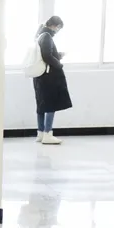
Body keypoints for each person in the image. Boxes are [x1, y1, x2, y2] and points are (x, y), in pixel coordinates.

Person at [33, 16, 72, 145]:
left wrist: (58, 55)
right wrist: (59, 65)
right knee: (50, 105)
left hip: (41, 76)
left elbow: (46, 54)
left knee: (41, 105)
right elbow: (47, 56)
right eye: (59, 28)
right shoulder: (47, 36)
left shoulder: (39, 35)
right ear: (55, 26)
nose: (58, 30)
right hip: (49, 77)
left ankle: (40, 133)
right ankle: (48, 134)